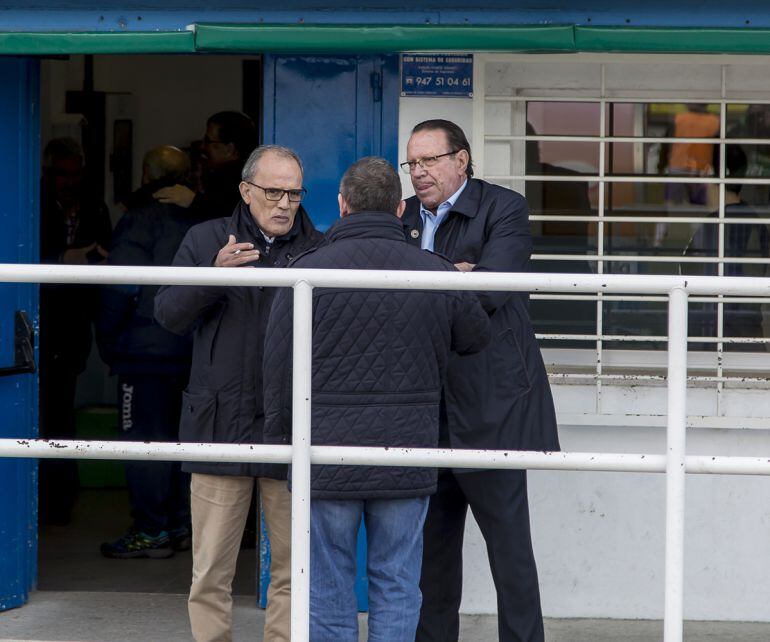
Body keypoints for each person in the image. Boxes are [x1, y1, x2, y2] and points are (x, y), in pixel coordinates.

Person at [262, 156, 491, 641]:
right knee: (397, 581)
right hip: (406, 453)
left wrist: (281, 441)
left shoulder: (306, 271)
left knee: (326, 582)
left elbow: (277, 365)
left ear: (343, 206)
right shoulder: (434, 271)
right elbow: (475, 336)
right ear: (401, 207)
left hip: (323, 452)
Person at [401, 119, 560, 642]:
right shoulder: (401, 217)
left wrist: (433, 282)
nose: (419, 173)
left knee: (510, 551)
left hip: (493, 405)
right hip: (428, 406)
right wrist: (454, 275)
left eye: (430, 160)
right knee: (433, 554)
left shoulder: (504, 207)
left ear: (462, 159)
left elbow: (491, 292)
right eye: (412, 163)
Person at [154, 144, 321, 642]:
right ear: (246, 192)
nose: (284, 203)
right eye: (273, 192)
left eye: (293, 193)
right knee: (210, 572)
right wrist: (213, 276)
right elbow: (168, 315)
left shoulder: (318, 248)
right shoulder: (206, 238)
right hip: (218, 425)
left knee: (293, 571)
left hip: (290, 428)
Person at [97, 146, 197, 559]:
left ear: (144, 174)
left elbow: (121, 288)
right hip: (190, 351)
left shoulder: (138, 220)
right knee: (178, 441)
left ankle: (151, 530)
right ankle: (175, 525)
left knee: (142, 442)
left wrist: (107, 342)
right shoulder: (199, 219)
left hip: (145, 353)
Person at [39, 136, 112, 525]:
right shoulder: (31, 203)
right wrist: (58, 259)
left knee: (60, 416)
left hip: (71, 328)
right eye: (62, 173)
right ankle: (41, 503)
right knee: (36, 418)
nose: (70, 181)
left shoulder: (93, 206)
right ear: (49, 173)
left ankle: (59, 504)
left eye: (75, 173)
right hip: (34, 324)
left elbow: (107, 248)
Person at [154, 111, 257, 223]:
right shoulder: (250, 176)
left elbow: (225, 220)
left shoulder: (236, 185)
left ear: (229, 149)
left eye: (208, 141)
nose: (203, 146)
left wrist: (193, 201)